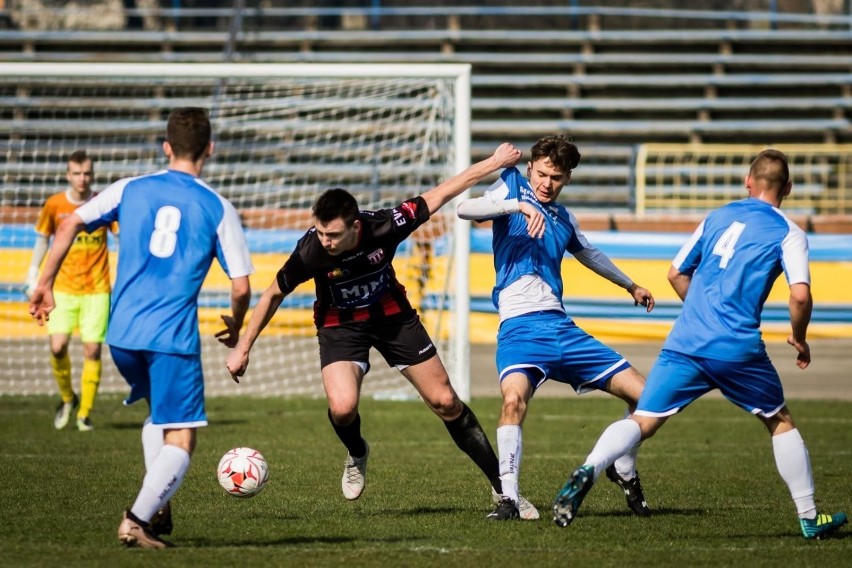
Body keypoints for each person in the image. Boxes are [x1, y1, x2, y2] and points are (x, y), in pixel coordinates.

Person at [226, 143, 541, 519]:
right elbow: (273, 293)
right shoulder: (311, 250)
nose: (325, 241)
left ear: (355, 226)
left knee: (445, 402)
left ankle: (504, 490)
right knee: (342, 408)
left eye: (333, 235)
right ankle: (357, 452)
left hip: (393, 317)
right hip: (339, 324)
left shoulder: (386, 224)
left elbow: (443, 192)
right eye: (321, 233)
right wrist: (243, 347)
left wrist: (495, 162)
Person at [551, 149, 848, 540]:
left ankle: (589, 467)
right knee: (779, 421)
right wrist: (801, 337)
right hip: (736, 346)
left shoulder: (718, 216)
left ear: (747, 181)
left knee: (644, 420)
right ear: (788, 187)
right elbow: (800, 297)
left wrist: (703, 313)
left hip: (686, 340)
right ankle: (809, 518)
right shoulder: (789, 232)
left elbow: (675, 274)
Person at [29, 107, 253, 548]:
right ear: (210, 149)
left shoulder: (129, 188)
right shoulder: (217, 206)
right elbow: (242, 286)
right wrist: (236, 323)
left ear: (166, 147)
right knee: (183, 436)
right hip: (171, 338)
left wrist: (45, 283)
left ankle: (157, 503)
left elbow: (71, 220)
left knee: (159, 414)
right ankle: (136, 519)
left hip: (123, 333)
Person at [457, 134, 656, 521]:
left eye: (558, 178)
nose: (547, 184)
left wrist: (630, 284)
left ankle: (624, 467)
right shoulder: (513, 185)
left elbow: (590, 254)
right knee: (513, 403)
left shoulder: (564, 219)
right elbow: (466, 208)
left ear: (567, 179)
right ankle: (509, 499)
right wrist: (516, 206)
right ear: (531, 168)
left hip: (562, 329)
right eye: (543, 174)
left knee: (649, 398)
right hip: (519, 330)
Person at [25, 150, 118, 432]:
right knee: (57, 347)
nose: (82, 178)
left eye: (87, 173)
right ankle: (68, 398)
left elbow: (122, 237)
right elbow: (43, 240)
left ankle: (85, 415)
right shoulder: (55, 205)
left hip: (97, 289)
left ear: (93, 174)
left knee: (92, 350)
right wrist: (33, 275)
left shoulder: (103, 203)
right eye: (77, 173)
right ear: (68, 175)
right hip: (62, 289)